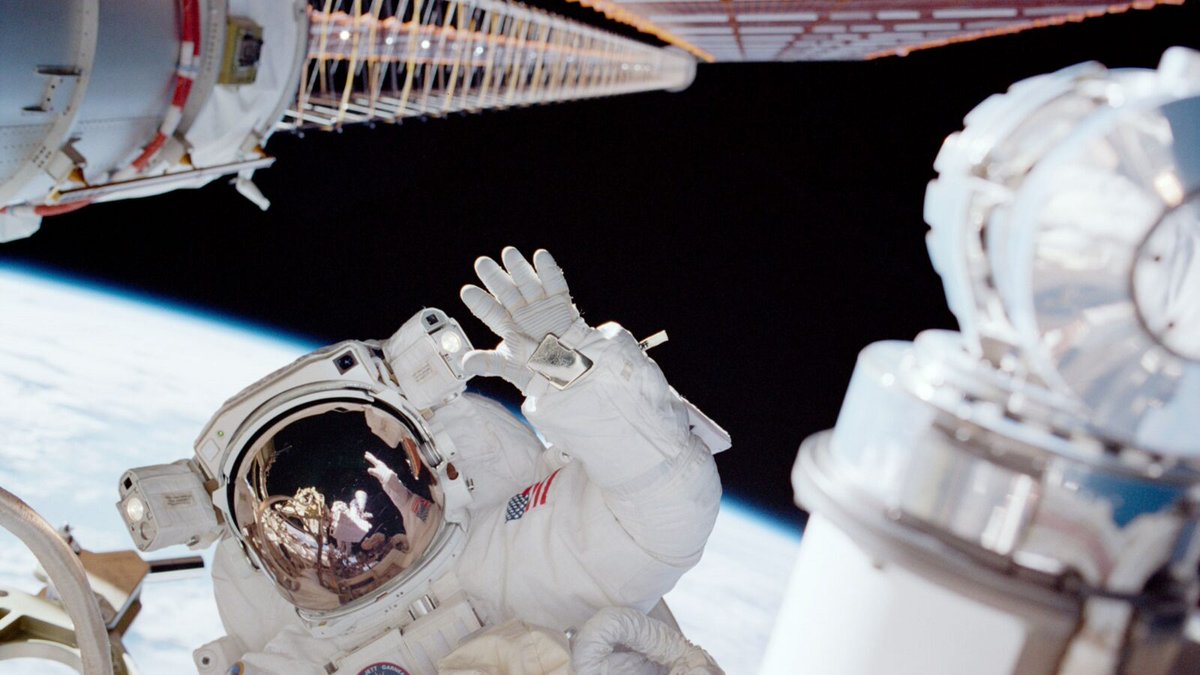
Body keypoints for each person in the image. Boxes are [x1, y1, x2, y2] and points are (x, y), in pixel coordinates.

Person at [190, 247, 725, 674]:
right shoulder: (294, 657)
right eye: (308, 522)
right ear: (257, 549)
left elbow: (668, 510)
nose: (343, 521)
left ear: (440, 463)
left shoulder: (518, 560)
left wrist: (573, 371)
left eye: (366, 483)